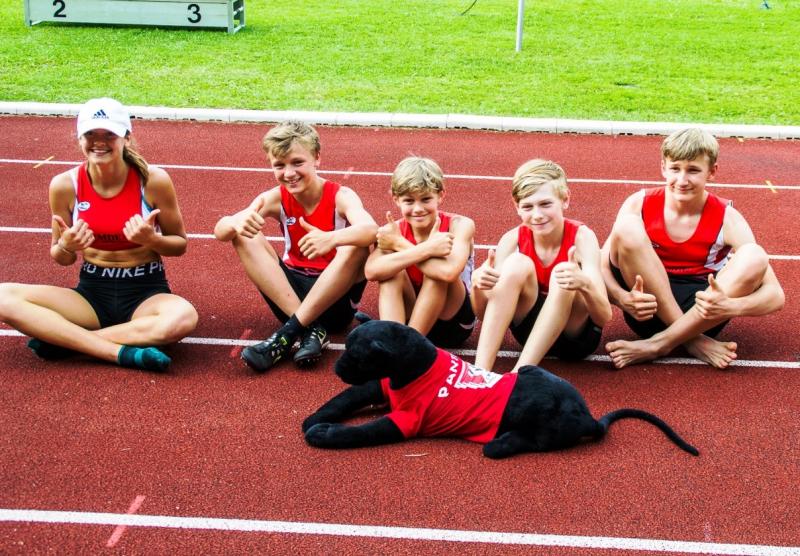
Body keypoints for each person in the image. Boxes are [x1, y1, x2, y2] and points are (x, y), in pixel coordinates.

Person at [0, 98, 198, 371]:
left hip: (145, 292)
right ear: (80, 137)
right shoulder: (64, 185)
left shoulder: (153, 181)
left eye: (109, 134)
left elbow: (179, 245)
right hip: (91, 294)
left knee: (183, 317)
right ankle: (122, 354)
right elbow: (60, 257)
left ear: (126, 138)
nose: (99, 142)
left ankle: (66, 342)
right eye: (91, 134)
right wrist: (67, 246)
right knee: (3, 297)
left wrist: (151, 240)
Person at [602, 128, 784, 369]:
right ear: (663, 167)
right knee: (626, 227)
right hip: (647, 310)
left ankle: (659, 344)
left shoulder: (728, 218)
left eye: (693, 170)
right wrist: (623, 298)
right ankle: (693, 342)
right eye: (675, 168)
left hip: (703, 315)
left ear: (712, 172)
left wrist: (731, 306)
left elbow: (775, 295)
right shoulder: (639, 204)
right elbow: (600, 264)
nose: (682, 180)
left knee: (754, 254)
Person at [215, 121, 377, 372]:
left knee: (357, 245)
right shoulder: (275, 197)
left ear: (317, 158)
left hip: (334, 302)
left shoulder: (341, 196)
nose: (289, 173)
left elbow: (370, 230)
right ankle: (310, 329)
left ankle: (289, 333)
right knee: (244, 234)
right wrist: (236, 222)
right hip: (290, 298)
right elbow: (221, 231)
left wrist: (332, 238)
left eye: (297, 162)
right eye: (279, 165)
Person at [472, 159, 611, 372]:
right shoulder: (511, 239)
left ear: (565, 200)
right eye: (528, 206)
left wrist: (584, 284)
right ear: (517, 207)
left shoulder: (583, 238)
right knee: (517, 264)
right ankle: (479, 374)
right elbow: (484, 315)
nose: (537, 215)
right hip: (527, 335)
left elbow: (603, 316)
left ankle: (520, 374)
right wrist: (478, 286)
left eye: (545, 204)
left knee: (562, 273)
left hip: (574, 340)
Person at [364, 157, 476, 347]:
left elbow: (448, 273)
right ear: (396, 200)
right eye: (409, 201)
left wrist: (400, 244)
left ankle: (407, 349)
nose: (418, 209)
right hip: (411, 315)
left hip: (452, 323)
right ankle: (393, 346)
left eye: (426, 199)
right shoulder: (393, 230)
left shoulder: (460, 225)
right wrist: (424, 249)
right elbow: (371, 271)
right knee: (390, 273)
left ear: (440, 195)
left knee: (436, 273)